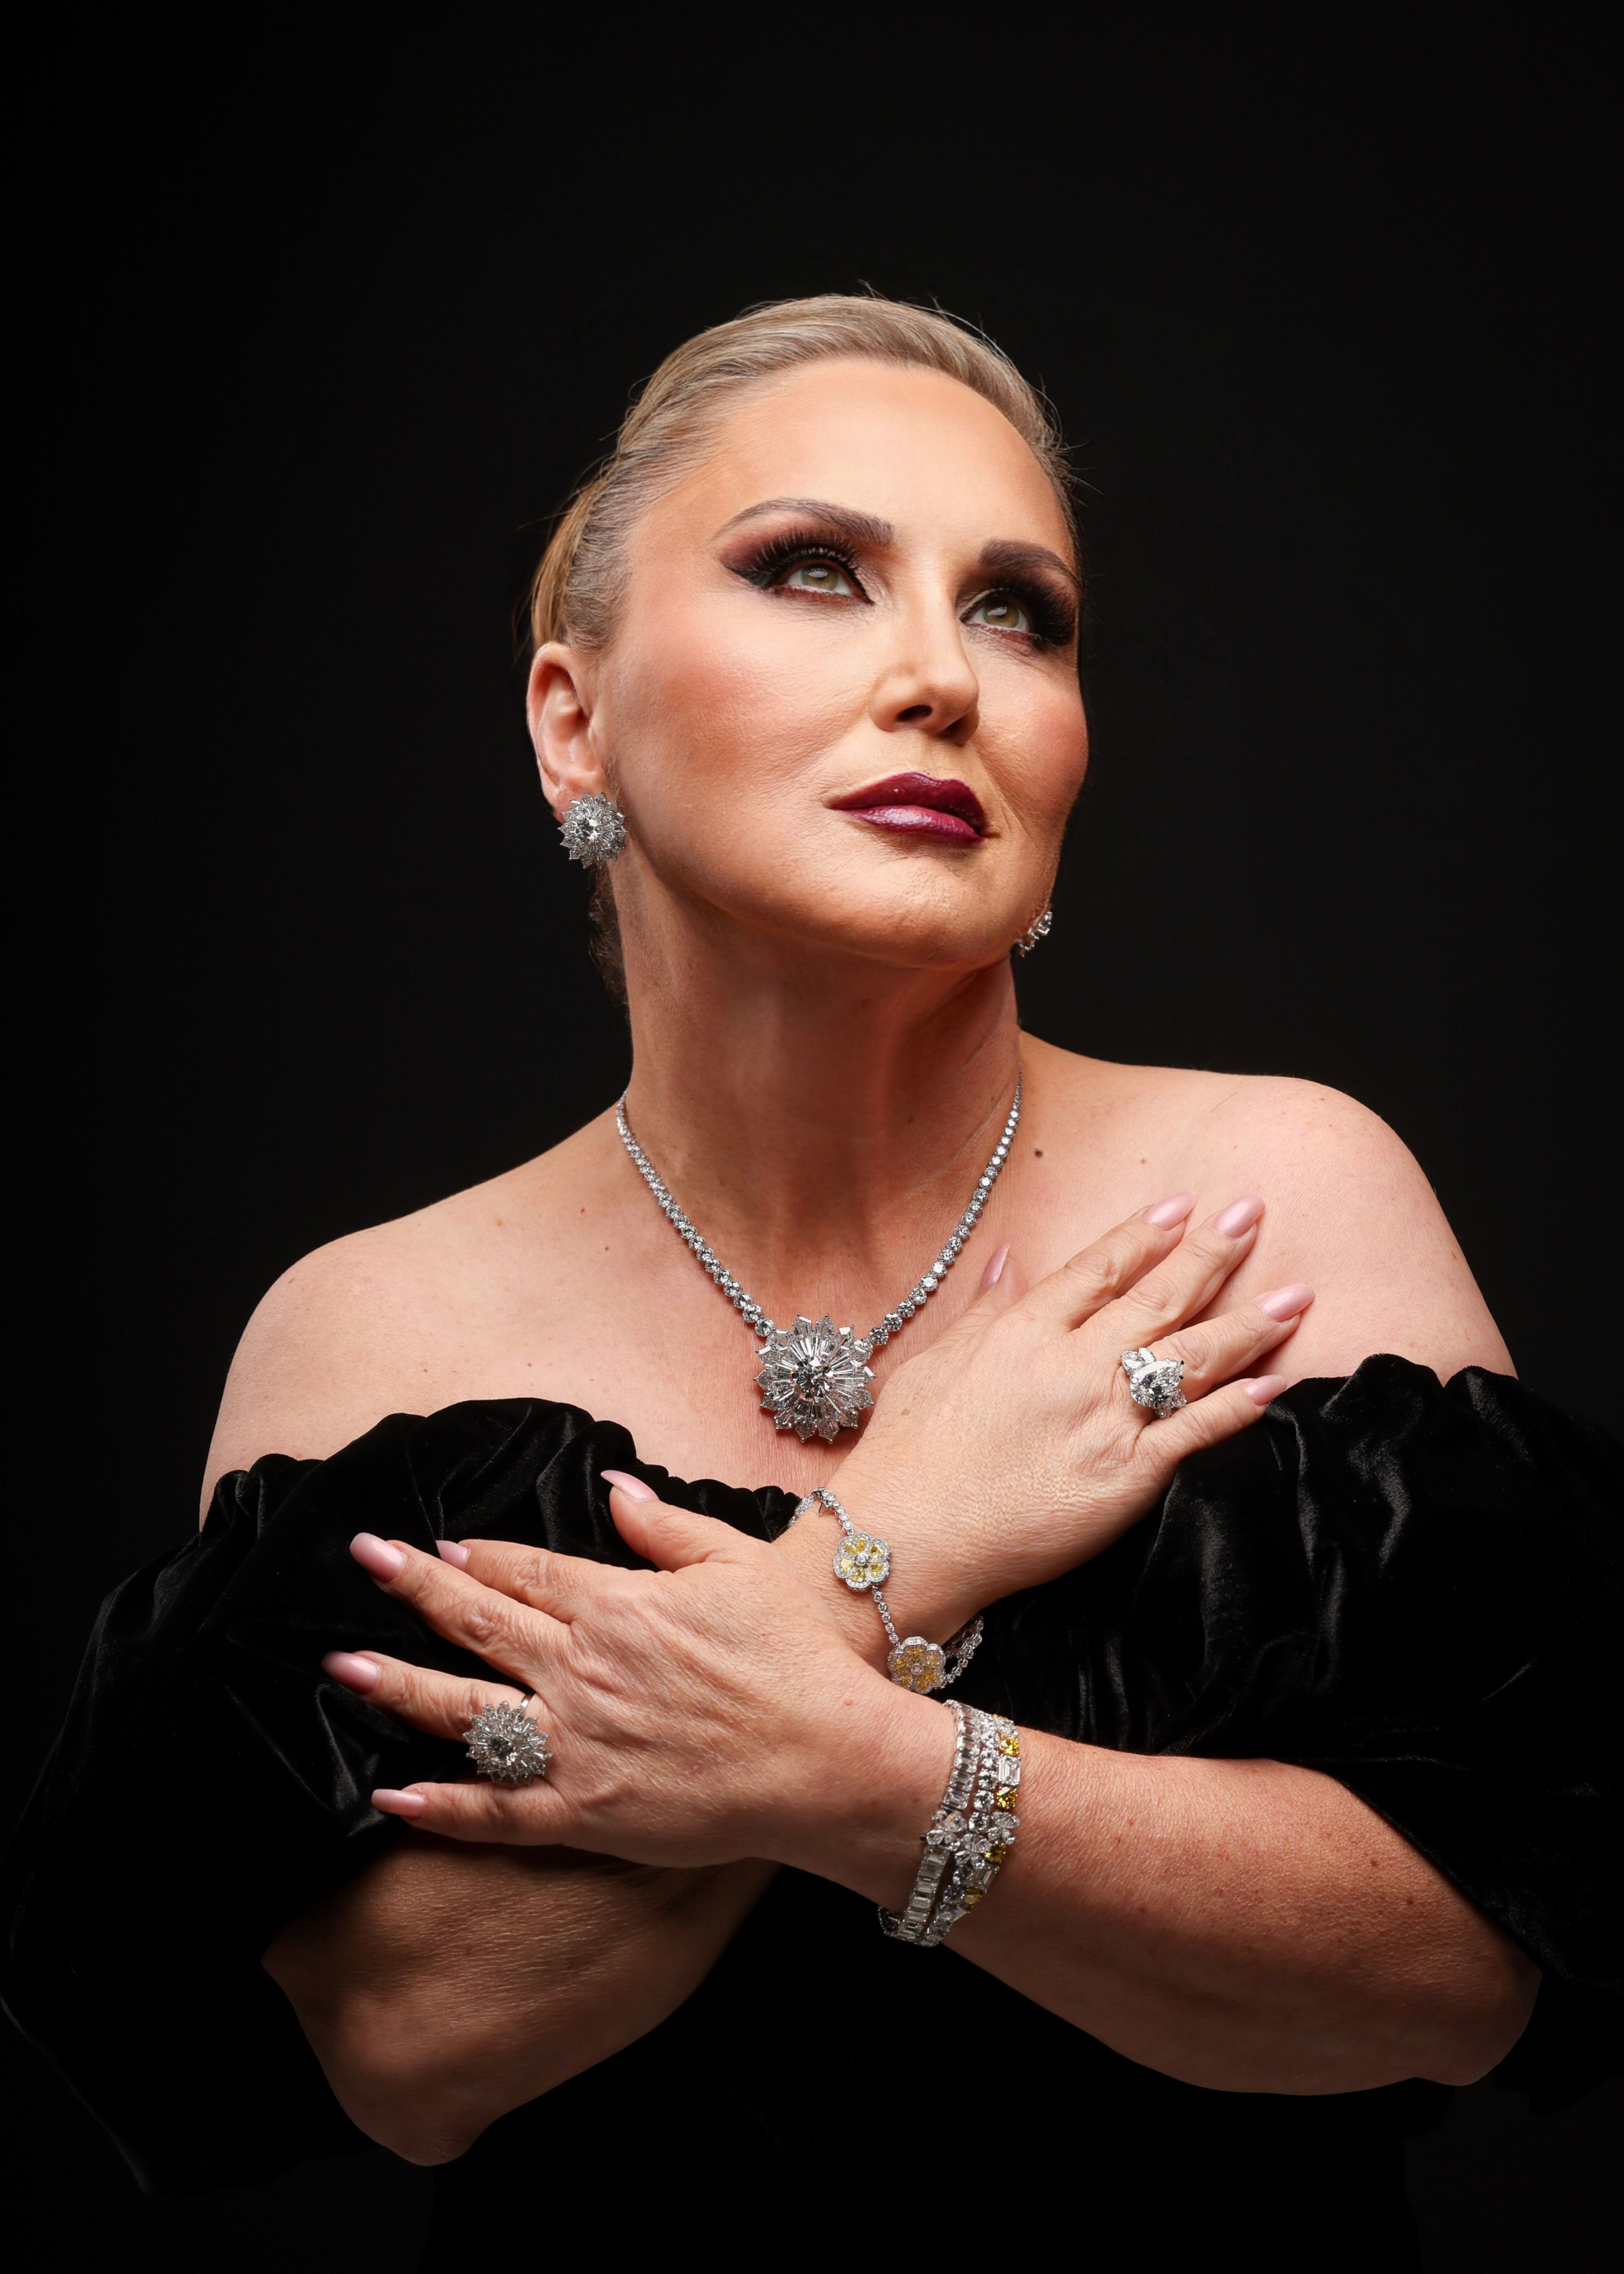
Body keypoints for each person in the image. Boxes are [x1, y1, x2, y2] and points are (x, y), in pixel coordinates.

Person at [5, 297, 1617, 2270]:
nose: (942, 676)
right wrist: (899, 1546)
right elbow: (414, 2048)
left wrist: (853, 1770)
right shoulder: (372, 1329)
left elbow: (1458, 1982)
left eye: (1019, 611)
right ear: (573, 719)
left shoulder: (1275, 1206)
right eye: (813, 570)